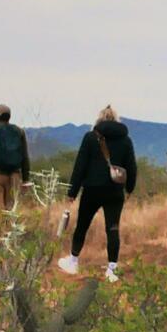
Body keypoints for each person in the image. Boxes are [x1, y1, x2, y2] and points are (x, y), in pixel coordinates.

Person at [59, 105, 136, 283]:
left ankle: (73, 261)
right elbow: (131, 166)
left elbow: (80, 166)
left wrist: (72, 191)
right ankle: (111, 270)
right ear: (117, 119)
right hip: (115, 191)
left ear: (99, 119)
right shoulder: (126, 140)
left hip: (92, 189)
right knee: (113, 228)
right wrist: (129, 188)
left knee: (82, 225)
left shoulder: (90, 137)